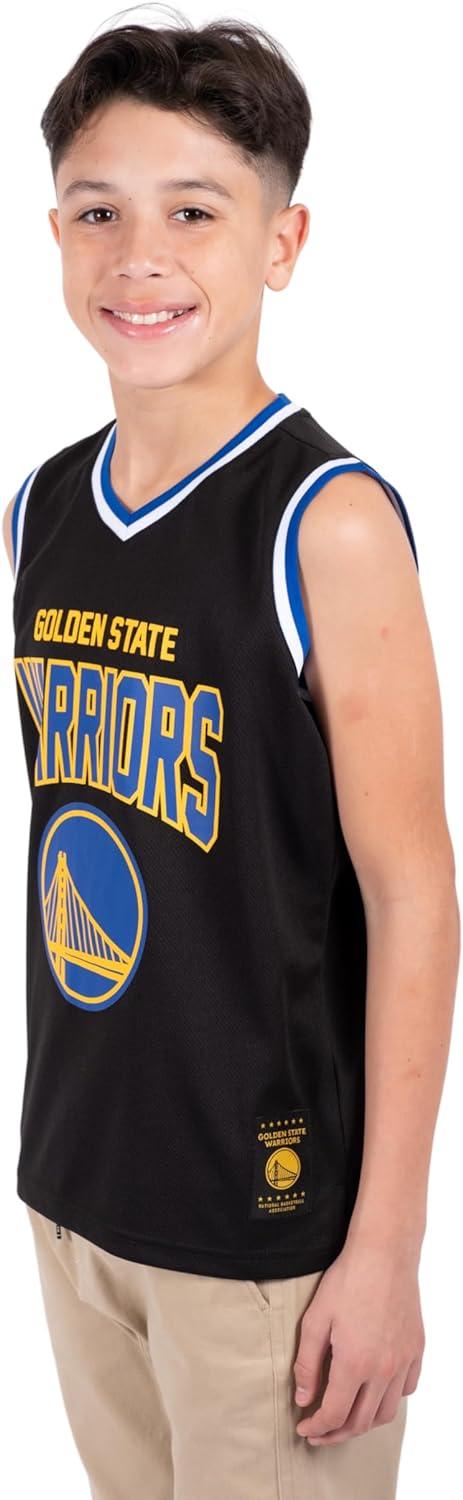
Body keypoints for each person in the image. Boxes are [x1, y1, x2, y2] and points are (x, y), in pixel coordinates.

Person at [4, 9, 459, 1500]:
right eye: (98, 213)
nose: (140, 258)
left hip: (267, 1235)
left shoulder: (326, 521)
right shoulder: (40, 510)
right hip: (76, 1193)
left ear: (283, 241)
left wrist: (386, 1247)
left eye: (194, 213)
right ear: (55, 236)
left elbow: (413, 891)